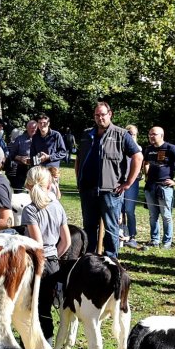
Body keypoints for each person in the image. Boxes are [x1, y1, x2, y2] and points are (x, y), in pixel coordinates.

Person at [75, 102, 142, 257]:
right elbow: (79, 159)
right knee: (89, 227)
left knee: (111, 228)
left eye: (103, 115)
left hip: (110, 192)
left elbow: (138, 157)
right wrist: (79, 180)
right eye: (97, 115)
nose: (100, 118)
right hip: (88, 190)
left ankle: (110, 261)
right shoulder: (86, 135)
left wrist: (128, 183)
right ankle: (90, 260)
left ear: (110, 114)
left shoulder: (121, 134)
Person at [22, 166, 70, 339]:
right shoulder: (57, 206)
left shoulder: (30, 210)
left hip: (36, 263)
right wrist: (54, 257)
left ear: (28, 184)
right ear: (49, 185)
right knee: (45, 309)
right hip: (52, 263)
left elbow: (37, 244)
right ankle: (47, 344)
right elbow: (67, 241)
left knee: (29, 308)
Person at [141, 126, 175, 248]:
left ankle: (167, 242)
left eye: (154, 134)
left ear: (161, 135)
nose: (151, 136)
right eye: (150, 134)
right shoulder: (148, 149)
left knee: (166, 215)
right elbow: (146, 163)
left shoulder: (170, 148)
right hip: (150, 187)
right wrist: (147, 176)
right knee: (153, 215)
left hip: (164, 187)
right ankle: (155, 240)